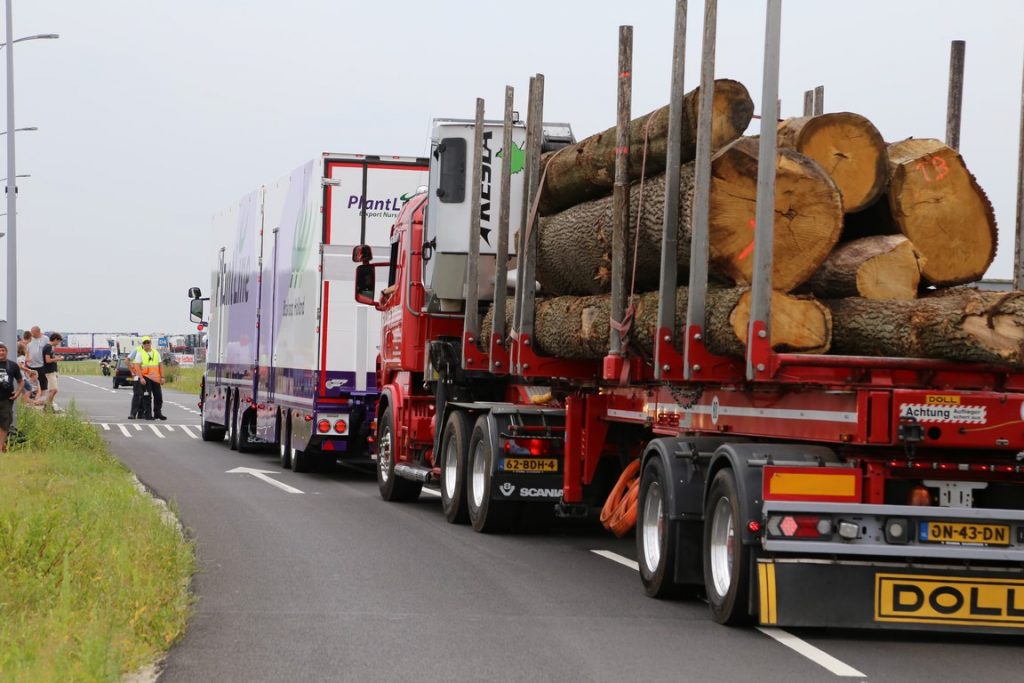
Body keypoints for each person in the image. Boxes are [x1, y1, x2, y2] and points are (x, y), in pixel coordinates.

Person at [128, 336, 166, 420]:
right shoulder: (140, 353)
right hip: (145, 378)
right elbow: (137, 366)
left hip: (155, 378)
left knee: (158, 396)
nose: (146, 344)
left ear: (150, 343)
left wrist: (162, 377)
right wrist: (141, 378)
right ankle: (148, 414)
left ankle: (158, 413)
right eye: (144, 343)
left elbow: (160, 364)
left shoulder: (156, 352)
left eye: (148, 342)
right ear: (143, 344)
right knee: (147, 396)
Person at [0, 342, 24, 452]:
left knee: (5, 423)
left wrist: (18, 392)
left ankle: (0, 448)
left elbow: (20, 381)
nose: (1, 352)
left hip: (6, 399)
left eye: (3, 350)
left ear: (6, 352)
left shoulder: (13, 365)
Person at [41, 333, 63, 413]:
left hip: (51, 370)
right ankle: (46, 407)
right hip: (49, 371)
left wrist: (55, 358)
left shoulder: (49, 347)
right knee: (54, 390)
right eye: (58, 341)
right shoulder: (48, 347)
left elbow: (50, 358)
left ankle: (49, 407)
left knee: (51, 390)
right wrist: (58, 359)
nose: (58, 344)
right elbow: (47, 360)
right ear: (55, 339)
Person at [25, 326, 47, 396]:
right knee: (30, 384)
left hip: (41, 365)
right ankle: (31, 399)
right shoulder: (30, 339)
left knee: (42, 383)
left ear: (38, 332)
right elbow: (26, 350)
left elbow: (49, 351)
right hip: (30, 366)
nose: (31, 334)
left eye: (33, 332)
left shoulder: (45, 339)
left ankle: (42, 398)